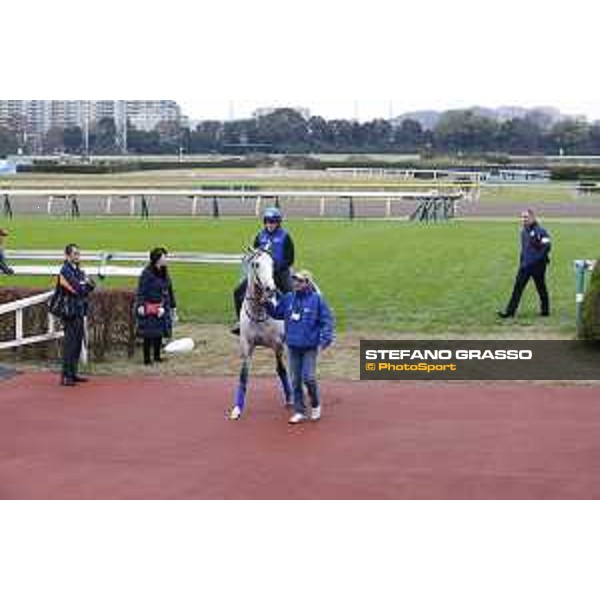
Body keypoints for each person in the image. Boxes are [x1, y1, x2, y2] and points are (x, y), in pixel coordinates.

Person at [266, 269, 334, 424]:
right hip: (293, 346)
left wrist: (325, 340)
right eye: (294, 280)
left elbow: (327, 321)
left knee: (308, 378)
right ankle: (300, 411)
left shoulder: (317, 300)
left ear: (308, 283)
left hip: (310, 346)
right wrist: (266, 303)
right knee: (295, 380)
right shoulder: (288, 298)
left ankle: (315, 404)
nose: (295, 283)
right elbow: (277, 313)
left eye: (300, 281)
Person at [231, 206, 295, 335]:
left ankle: (293, 323)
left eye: (273, 222)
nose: (270, 224)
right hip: (261, 273)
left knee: (290, 293)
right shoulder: (260, 236)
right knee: (238, 292)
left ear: (278, 223)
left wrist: (276, 268)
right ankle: (240, 322)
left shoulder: (285, 237)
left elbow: (290, 258)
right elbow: (254, 255)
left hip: (279, 272)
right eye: (267, 221)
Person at [498, 209, 551, 319]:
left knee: (541, 288)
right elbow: (524, 249)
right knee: (517, 288)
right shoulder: (524, 231)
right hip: (525, 266)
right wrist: (522, 261)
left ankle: (545, 311)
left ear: (533, 217)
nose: (524, 219)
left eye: (526, 217)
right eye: (523, 217)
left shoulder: (541, 231)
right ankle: (509, 312)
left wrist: (536, 260)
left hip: (538, 266)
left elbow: (547, 247)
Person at [58, 244, 96, 386]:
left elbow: (91, 284)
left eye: (78, 254)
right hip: (70, 312)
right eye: (75, 254)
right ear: (67, 256)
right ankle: (65, 376)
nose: (77, 256)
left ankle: (72, 373)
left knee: (77, 344)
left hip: (79, 310)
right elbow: (78, 289)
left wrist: (86, 285)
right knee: (70, 344)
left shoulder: (77, 269)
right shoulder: (65, 271)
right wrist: (86, 285)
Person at [136, 247, 178, 365]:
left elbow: (169, 289)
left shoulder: (165, 271)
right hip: (149, 305)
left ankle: (157, 356)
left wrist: (173, 306)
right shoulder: (147, 273)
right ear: (157, 259)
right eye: (164, 257)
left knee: (159, 332)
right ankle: (147, 359)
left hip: (162, 306)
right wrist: (140, 305)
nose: (166, 259)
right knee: (148, 333)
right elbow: (141, 290)